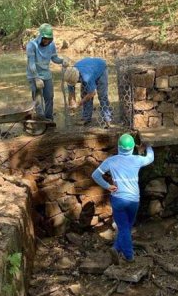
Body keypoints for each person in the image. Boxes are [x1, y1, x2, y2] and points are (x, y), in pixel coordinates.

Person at [91, 134, 154, 264]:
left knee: (125, 227)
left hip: (118, 199)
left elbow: (95, 175)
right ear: (132, 148)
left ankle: (119, 250)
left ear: (118, 147)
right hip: (134, 200)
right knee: (126, 227)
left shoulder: (111, 161)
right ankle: (127, 255)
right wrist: (148, 146)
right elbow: (150, 158)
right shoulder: (137, 159)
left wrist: (108, 186)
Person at [26, 23, 69, 121]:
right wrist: (36, 78)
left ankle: (49, 118)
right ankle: (41, 119)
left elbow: (54, 58)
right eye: (45, 38)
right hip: (34, 75)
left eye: (49, 39)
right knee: (37, 99)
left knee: (49, 97)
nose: (46, 41)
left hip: (46, 74)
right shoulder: (31, 45)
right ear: (40, 36)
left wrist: (63, 61)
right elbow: (31, 64)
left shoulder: (51, 45)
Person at [64, 57, 112, 128]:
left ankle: (107, 118)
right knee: (84, 95)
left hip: (100, 68)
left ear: (77, 79)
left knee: (102, 96)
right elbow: (71, 93)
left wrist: (78, 104)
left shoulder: (86, 78)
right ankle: (86, 118)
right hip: (89, 69)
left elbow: (92, 93)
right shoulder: (70, 74)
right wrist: (72, 104)